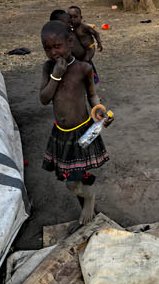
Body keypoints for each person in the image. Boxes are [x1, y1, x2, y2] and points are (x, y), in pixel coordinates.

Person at [39, 21, 112, 226]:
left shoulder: (83, 68)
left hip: (82, 131)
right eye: (47, 48)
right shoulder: (48, 68)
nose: (53, 53)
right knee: (69, 176)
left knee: (73, 181)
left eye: (57, 46)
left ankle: (88, 197)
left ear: (70, 42)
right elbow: (44, 99)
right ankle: (84, 191)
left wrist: (100, 112)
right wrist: (56, 76)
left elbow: (92, 96)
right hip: (61, 133)